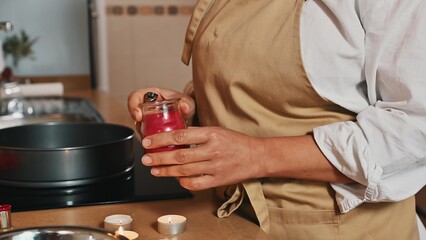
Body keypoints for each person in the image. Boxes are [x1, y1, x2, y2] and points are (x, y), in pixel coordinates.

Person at [128, 0, 426, 239]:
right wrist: (192, 117)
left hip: (341, 229)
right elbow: (258, 94)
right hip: (234, 221)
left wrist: (259, 155)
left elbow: (413, 131)